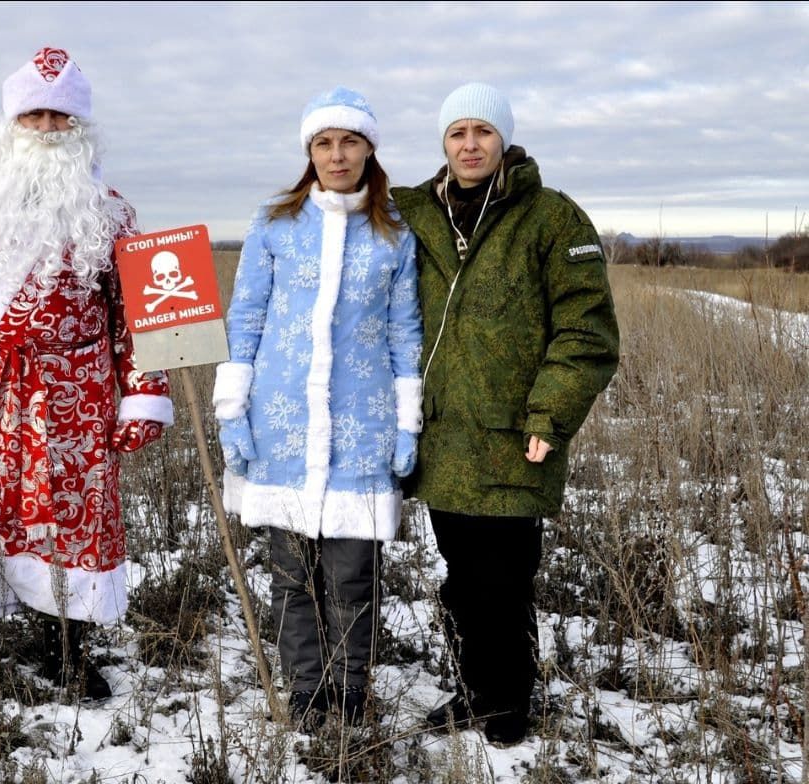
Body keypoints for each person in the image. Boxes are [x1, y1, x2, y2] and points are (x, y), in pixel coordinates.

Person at [0, 46, 173, 704]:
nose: (47, 129)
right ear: (10, 122)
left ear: (81, 129)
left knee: (68, 525)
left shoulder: (113, 213)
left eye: (61, 118)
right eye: (35, 115)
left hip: (77, 394)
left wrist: (144, 398)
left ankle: (64, 654)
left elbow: (136, 316)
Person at [390, 82, 620, 745]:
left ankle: (509, 703)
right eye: (458, 133)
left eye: (482, 132)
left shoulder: (550, 217)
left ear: (504, 140)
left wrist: (549, 417)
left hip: (517, 437)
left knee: (506, 576)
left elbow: (586, 332)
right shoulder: (416, 214)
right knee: (462, 578)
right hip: (443, 439)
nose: (469, 144)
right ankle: (475, 689)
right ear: (444, 142)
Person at [212, 87, 422, 730]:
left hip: (362, 423)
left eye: (349, 142)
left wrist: (407, 417)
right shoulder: (275, 222)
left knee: (353, 575)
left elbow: (403, 329)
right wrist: (232, 404)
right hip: (282, 420)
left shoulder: (393, 232)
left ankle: (350, 693)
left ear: (368, 149)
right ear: (310, 151)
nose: (337, 155)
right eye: (325, 144)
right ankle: (306, 693)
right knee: (291, 575)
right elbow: (246, 313)